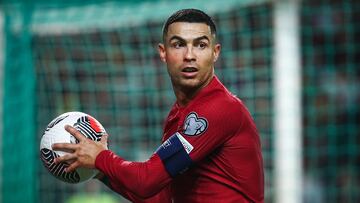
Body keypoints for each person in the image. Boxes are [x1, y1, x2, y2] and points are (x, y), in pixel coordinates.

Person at [53, 8, 264, 203]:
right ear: (163, 52)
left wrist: (101, 157)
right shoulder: (177, 116)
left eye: (200, 45)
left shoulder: (219, 109)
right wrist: (99, 171)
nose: (189, 55)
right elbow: (158, 198)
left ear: (215, 52)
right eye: (178, 44)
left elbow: (146, 181)